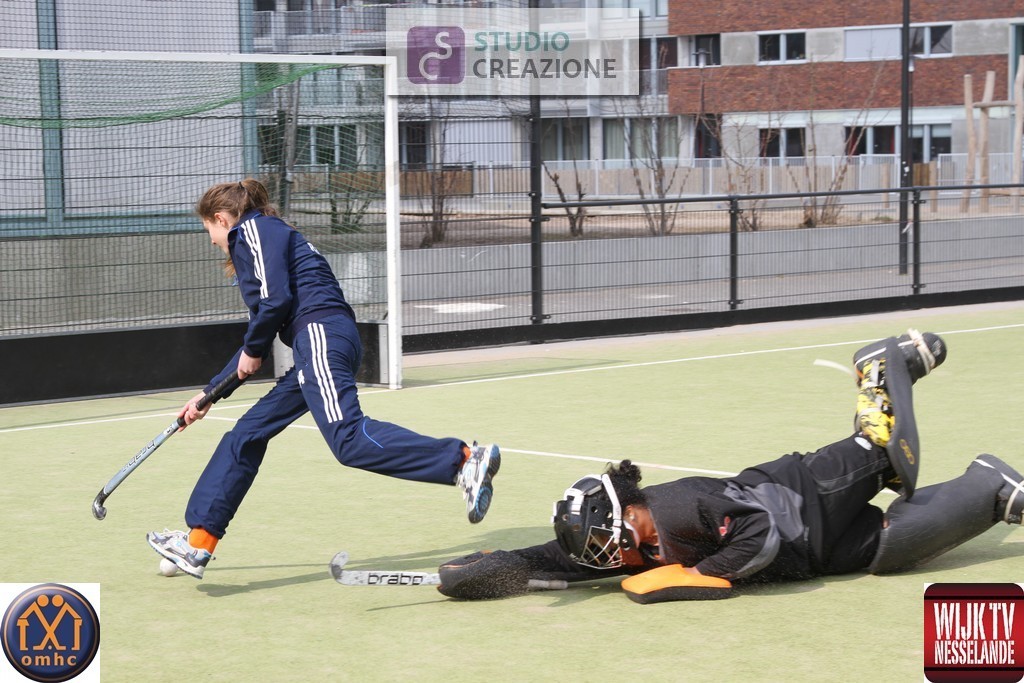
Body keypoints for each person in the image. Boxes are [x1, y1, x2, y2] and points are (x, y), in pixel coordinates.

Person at [436, 329, 1024, 603]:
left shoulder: (679, 508)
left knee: (883, 450)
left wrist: (700, 574)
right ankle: (995, 490)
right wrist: (496, 568)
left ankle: (881, 366)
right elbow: (560, 560)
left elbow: (758, 530)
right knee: (895, 548)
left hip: (804, 497)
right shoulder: (624, 542)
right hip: (815, 554)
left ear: (628, 516)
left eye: (600, 543)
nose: (600, 557)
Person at [147, 178, 500, 579]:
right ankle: (198, 543)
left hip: (320, 336)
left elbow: (273, 306)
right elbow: (257, 337)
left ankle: (465, 460)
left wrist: (254, 348)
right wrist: (208, 395)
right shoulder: (265, 240)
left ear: (221, 218)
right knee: (246, 434)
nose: (212, 241)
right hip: (320, 342)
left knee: (348, 440)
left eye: (208, 230)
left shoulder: (252, 231)